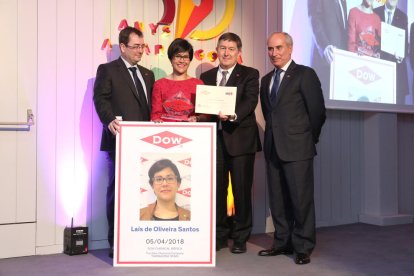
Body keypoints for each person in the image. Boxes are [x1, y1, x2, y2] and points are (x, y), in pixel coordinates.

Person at [258, 32, 326, 265]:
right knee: (277, 200)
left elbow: (317, 113)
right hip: (273, 148)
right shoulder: (266, 80)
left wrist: (307, 139)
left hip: (298, 148)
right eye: (270, 49)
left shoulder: (305, 74)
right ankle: (281, 242)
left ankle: (303, 246)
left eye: (278, 48)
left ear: (290, 48)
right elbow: (270, 115)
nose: (274, 53)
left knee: (301, 200)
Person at [93, 26, 155, 257]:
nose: (140, 51)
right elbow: (100, 98)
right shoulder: (108, 70)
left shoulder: (148, 74)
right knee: (118, 192)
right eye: (135, 46)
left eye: (142, 46)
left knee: (144, 193)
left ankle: (139, 240)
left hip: (145, 145)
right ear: (123, 47)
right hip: (119, 141)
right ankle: (116, 243)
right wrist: (109, 120)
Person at [200, 32, 261, 254]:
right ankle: (219, 235)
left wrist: (233, 115)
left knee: (241, 190)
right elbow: (202, 108)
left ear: (238, 52)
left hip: (241, 140)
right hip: (213, 142)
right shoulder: (205, 77)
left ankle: (241, 236)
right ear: (217, 50)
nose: (226, 52)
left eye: (231, 48)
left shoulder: (250, 74)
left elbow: (250, 101)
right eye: (222, 48)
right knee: (217, 191)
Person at [151, 38, 207, 122]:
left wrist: (197, 118)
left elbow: (205, 114)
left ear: (190, 59)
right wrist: (156, 120)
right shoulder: (159, 84)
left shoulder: (198, 84)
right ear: (171, 59)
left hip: (191, 133)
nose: (182, 60)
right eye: (178, 56)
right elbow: (155, 114)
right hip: (166, 133)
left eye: (185, 57)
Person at [308, 0, 348, 96]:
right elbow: (314, 19)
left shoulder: (343, 1)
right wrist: (324, 45)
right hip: (324, 61)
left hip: (338, 64)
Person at [374, 0, 409, 104]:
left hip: (396, 73)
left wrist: (401, 56)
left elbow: (404, 46)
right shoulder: (375, 13)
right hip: (377, 71)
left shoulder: (403, 17)